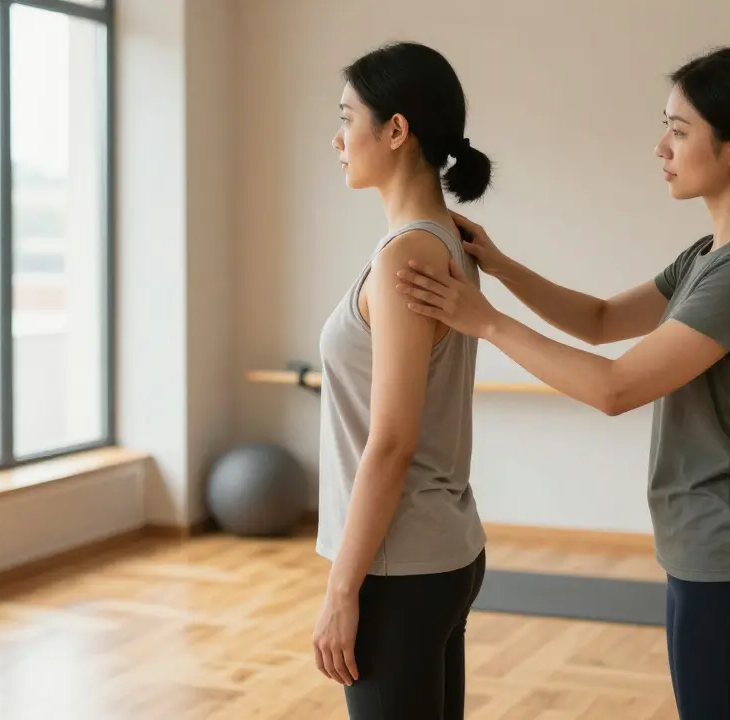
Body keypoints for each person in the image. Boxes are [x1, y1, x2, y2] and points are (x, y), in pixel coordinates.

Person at [395, 46, 730, 718]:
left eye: (679, 131)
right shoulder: (712, 255)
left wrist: (484, 321)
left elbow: (615, 389)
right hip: (715, 557)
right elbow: (601, 321)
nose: (662, 148)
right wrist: (502, 267)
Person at [311, 41, 494, 719]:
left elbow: (390, 442)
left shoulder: (406, 256)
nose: (337, 139)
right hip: (440, 552)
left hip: (399, 567)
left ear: (395, 130)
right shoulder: (445, 240)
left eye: (346, 118)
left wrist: (342, 590)